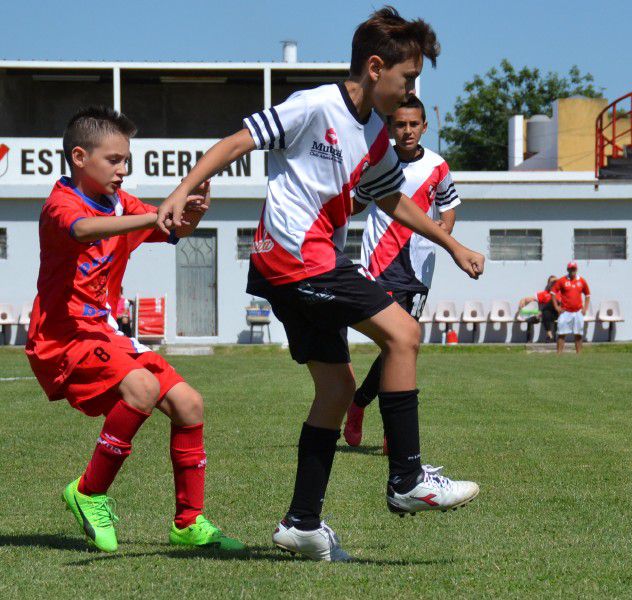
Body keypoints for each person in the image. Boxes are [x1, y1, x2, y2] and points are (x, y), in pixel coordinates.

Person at [154, 7, 484, 561]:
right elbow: (237, 142)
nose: (411, 90)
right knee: (403, 334)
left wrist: (452, 244)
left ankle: (302, 524)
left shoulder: (376, 136)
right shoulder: (314, 105)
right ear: (376, 68)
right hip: (294, 259)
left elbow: (391, 198)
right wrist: (180, 189)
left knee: (335, 390)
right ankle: (407, 480)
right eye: (408, 78)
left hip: (304, 264)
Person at [25, 106, 243, 553]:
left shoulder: (123, 204)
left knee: (189, 403)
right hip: (64, 336)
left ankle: (188, 523)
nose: (123, 170)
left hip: (103, 332)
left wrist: (193, 210)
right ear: (80, 157)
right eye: (114, 160)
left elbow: (173, 229)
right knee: (141, 388)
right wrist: (155, 214)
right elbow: (84, 229)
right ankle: (88, 492)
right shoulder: (61, 203)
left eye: (127, 160)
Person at [343, 94, 460, 448]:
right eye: (400, 124)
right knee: (394, 342)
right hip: (380, 264)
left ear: (425, 127)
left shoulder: (438, 166)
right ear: (390, 127)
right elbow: (356, 203)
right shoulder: (379, 161)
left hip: (419, 270)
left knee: (400, 345)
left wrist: (444, 231)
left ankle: (360, 403)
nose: (407, 131)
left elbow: (449, 207)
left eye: (413, 124)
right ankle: (391, 425)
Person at [551, 262, 591, 354]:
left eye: (574, 269)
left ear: (576, 269)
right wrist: (557, 307)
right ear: (567, 270)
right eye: (571, 269)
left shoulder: (581, 281)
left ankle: (579, 355)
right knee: (561, 333)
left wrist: (585, 308)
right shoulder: (562, 280)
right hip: (565, 312)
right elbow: (553, 293)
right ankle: (559, 354)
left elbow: (588, 295)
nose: (572, 271)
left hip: (578, 312)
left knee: (578, 334)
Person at [516, 275, 559, 342]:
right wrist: (523, 300)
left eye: (555, 282)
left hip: (559, 314)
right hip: (547, 315)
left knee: (551, 303)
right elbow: (528, 299)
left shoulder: (562, 293)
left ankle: (538, 316)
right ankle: (549, 336)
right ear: (548, 284)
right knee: (545, 312)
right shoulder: (544, 294)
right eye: (552, 282)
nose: (554, 284)